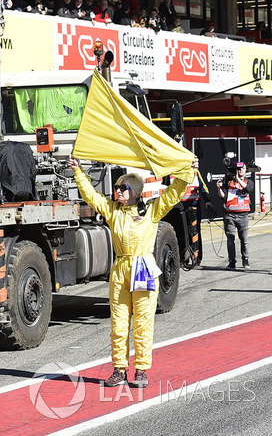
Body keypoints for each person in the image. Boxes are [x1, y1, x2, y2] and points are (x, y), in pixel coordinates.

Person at [67, 156, 197, 388]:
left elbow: (173, 193)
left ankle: (141, 370)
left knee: (143, 322)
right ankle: (119, 370)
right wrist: (78, 171)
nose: (118, 191)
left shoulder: (152, 210)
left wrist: (188, 172)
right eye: (117, 188)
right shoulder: (112, 210)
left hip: (143, 267)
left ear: (135, 191)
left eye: (123, 188)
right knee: (118, 323)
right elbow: (91, 196)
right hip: (120, 269)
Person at [217, 162, 254, 269]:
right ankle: (232, 261)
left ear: (246, 169)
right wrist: (219, 188)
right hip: (230, 215)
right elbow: (223, 197)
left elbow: (248, 189)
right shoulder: (229, 182)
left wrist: (238, 179)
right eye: (238, 168)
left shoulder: (248, 181)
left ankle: (245, 260)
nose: (240, 170)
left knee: (244, 239)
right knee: (230, 239)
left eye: (243, 168)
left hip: (243, 215)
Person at [179, 173, 212, 269]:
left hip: (194, 207)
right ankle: (183, 259)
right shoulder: (176, 170)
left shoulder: (196, 172)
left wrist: (207, 200)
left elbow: (203, 187)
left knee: (195, 232)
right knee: (181, 233)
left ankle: (196, 259)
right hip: (180, 208)